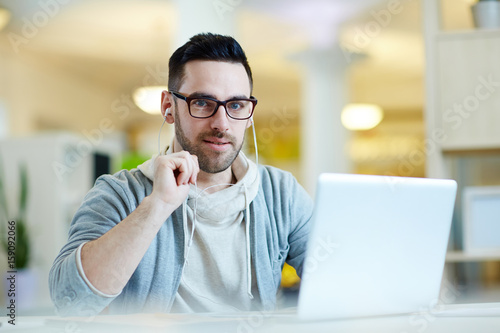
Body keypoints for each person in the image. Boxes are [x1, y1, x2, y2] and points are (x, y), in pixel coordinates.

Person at [49, 32, 313, 315]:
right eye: (202, 103)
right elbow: (70, 302)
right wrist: (156, 207)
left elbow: (343, 278)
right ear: (168, 107)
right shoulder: (119, 194)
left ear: (249, 114)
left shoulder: (281, 193)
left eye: (236, 105)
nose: (221, 123)